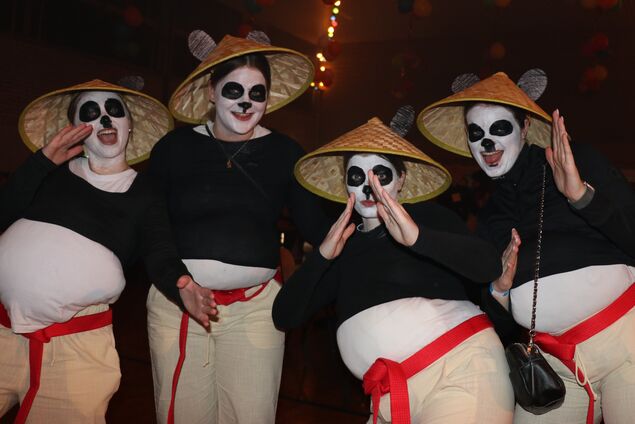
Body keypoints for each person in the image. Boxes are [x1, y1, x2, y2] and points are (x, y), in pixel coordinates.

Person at [418, 69, 635, 424]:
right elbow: (498, 319)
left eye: (499, 128)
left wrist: (582, 197)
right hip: (554, 367)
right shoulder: (491, 213)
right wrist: (499, 289)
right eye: (476, 133)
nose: (487, 143)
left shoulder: (577, 160)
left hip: (626, 344)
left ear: (524, 127)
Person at [273, 110, 515, 424]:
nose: (369, 187)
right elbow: (284, 315)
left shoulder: (427, 218)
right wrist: (322, 256)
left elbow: (488, 265)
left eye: (380, 176)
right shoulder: (344, 247)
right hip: (388, 398)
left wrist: (417, 238)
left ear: (400, 179)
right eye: (357, 177)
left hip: (460, 372)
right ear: (346, 185)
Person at [0, 79, 215, 424]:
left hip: (75, 347)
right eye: (91, 112)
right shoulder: (50, 174)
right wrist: (41, 162)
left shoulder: (146, 192)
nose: (105, 118)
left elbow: (160, 251)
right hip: (2, 331)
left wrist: (183, 285)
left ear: (129, 126)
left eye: (114, 110)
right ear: (75, 130)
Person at [146, 30, 328, 423]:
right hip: (177, 305)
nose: (246, 102)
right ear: (212, 92)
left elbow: (317, 228)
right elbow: (151, 229)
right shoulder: (173, 149)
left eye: (256, 93)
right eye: (233, 90)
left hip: (256, 311)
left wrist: (367, 205)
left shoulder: (286, 153)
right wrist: (179, 283)